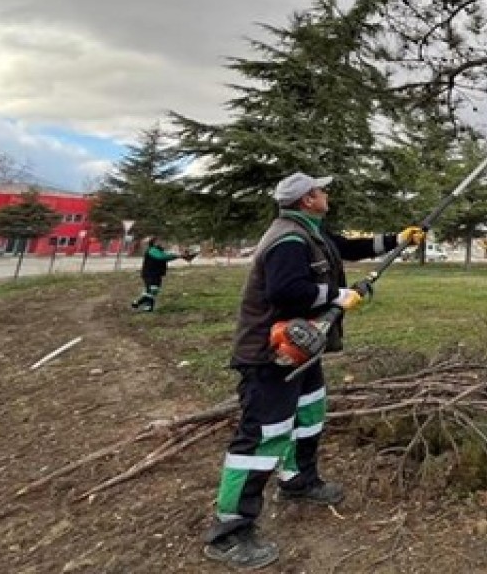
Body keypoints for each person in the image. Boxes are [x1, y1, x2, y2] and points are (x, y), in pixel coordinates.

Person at [202, 172, 425, 569]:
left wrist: (399, 239)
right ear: (307, 200)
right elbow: (286, 292)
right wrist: (340, 295)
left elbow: (348, 248)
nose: (326, 194)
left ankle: (298, 481)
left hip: (301, 353)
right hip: (270, 357)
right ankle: (228, 531)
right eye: (321, 190)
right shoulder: (287, 239)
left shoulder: (312, 232)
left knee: (309, 415)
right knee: (261, 438)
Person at [131, 237, 194, 312]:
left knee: (151, 291)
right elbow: (162, 257)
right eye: (160, 241)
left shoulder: (159, 250)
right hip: (150, 273)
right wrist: (178, 256)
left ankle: (148, 308)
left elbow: (167, 256)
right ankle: (137, 302)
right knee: (153, 289)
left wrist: (181, 256)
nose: (162, 243)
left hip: (156, 274)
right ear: (154, 243)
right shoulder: (153, 250)